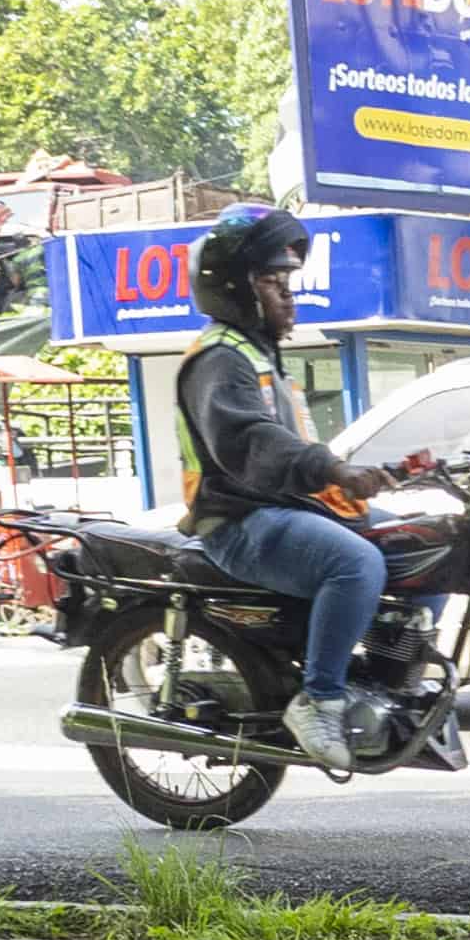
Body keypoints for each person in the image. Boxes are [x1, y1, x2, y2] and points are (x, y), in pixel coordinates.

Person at [172, 204, 432, 773]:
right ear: (236, 291)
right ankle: (319, 698)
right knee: (356, 564)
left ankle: (391, 676)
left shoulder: (261, 355)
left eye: (287, 282)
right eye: (271, 283)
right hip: (238, 522)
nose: (286, 296)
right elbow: (251, 443)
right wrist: (334, 471)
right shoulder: (220, 359)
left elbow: (291, 451)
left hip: (287, 510)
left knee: (428, 542)